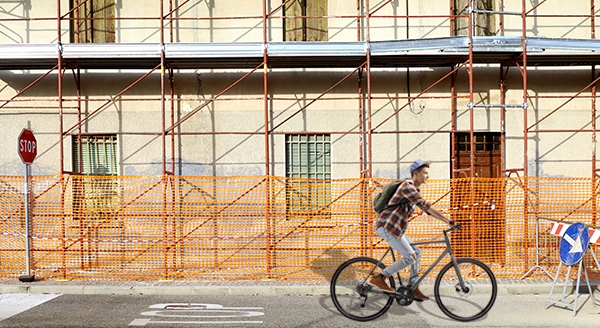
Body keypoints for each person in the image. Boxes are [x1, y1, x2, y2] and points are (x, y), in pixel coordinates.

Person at [369, 159, 455, 301]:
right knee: (410, 256)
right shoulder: (407, 187)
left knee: (417, 252)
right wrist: (447, 220)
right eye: (425, 173)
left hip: (396, 229)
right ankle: (381, 277)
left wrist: (444, 220)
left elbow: (425, 208)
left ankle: (413, 287)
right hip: (387, 226)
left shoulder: (413, 189)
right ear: (416, 173)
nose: (428, 176)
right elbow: (425, 206)